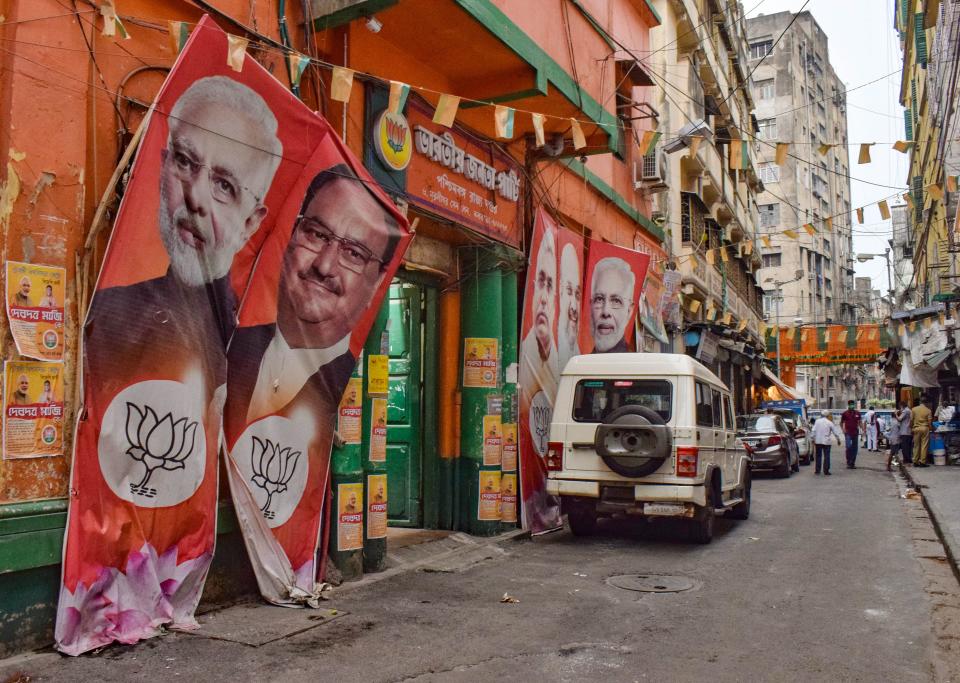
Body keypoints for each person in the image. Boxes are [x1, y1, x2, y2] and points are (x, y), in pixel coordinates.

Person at [85, 76, 283, 392]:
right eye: (185, 162)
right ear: (163, 167)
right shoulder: (109, 314)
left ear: (250, 224)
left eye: (224, 186)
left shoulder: (260, 356)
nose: (194, 199)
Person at [226, 164, 402, 434]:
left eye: (354, 253)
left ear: (378, 281)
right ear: (293, 233)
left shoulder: (346, 382)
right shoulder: (225, 342)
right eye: (317, 235)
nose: (325, 265)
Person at [520, 228, 559, 403]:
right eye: (541, 282)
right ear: (533, 287)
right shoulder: (523, 353)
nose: (543, 298)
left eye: (550, 285)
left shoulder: (564, 364)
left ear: (555, 298)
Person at [589, 257, 635, 353]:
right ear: (590, 306)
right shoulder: (580, 364)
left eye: (616, 301)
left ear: (629, 311)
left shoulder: (632, 365)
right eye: (599, 299)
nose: (606, 311)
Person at [557, 243, 581, 370]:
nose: (574, 307)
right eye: (569, 291)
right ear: (560, 292)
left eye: (577, 294)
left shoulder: (581, 359)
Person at [812, 410, 843, 475]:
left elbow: (813, 431)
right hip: (827, 441)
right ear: (828, 415)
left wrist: (812, 438)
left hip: (818, 441)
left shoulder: (817, 422)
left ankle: (817, 470)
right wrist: (838, 440)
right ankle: (826, 471)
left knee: (818, 456)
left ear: (821, 415)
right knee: (827, 456)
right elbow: (835, 432)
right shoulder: (829, 422)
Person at [840, 400, 864, 469]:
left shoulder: (857, 413)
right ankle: (848, 461)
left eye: (853, 404)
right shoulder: (845, 413)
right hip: (848, 433)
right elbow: (841, 423)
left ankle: (852, 463)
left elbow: (860, 422)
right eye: (850, 404)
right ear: (848, 405)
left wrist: (863, 430)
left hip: (855, 433)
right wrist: (843, 429)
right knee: (848, 447)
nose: (852, 406)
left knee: (855, 448)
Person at [912, 396, 933, 467]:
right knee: (924, 445)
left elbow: (911, 420)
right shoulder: (928, 410)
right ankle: (922, 462)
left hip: (916, 428)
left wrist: (911, 428)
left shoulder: (914, 409)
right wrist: (931, 429)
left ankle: (915, 461)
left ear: (920, 402)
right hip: (925, 428)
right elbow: (930, 422)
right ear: (926, 403)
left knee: (916, 445)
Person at [886, 405, 902, 471]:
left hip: (892, 438)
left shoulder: (891, 421)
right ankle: (889, 466)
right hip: (895, 439)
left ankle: (889, 466)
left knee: (893, 453)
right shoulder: (897, 422)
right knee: (894, 453)